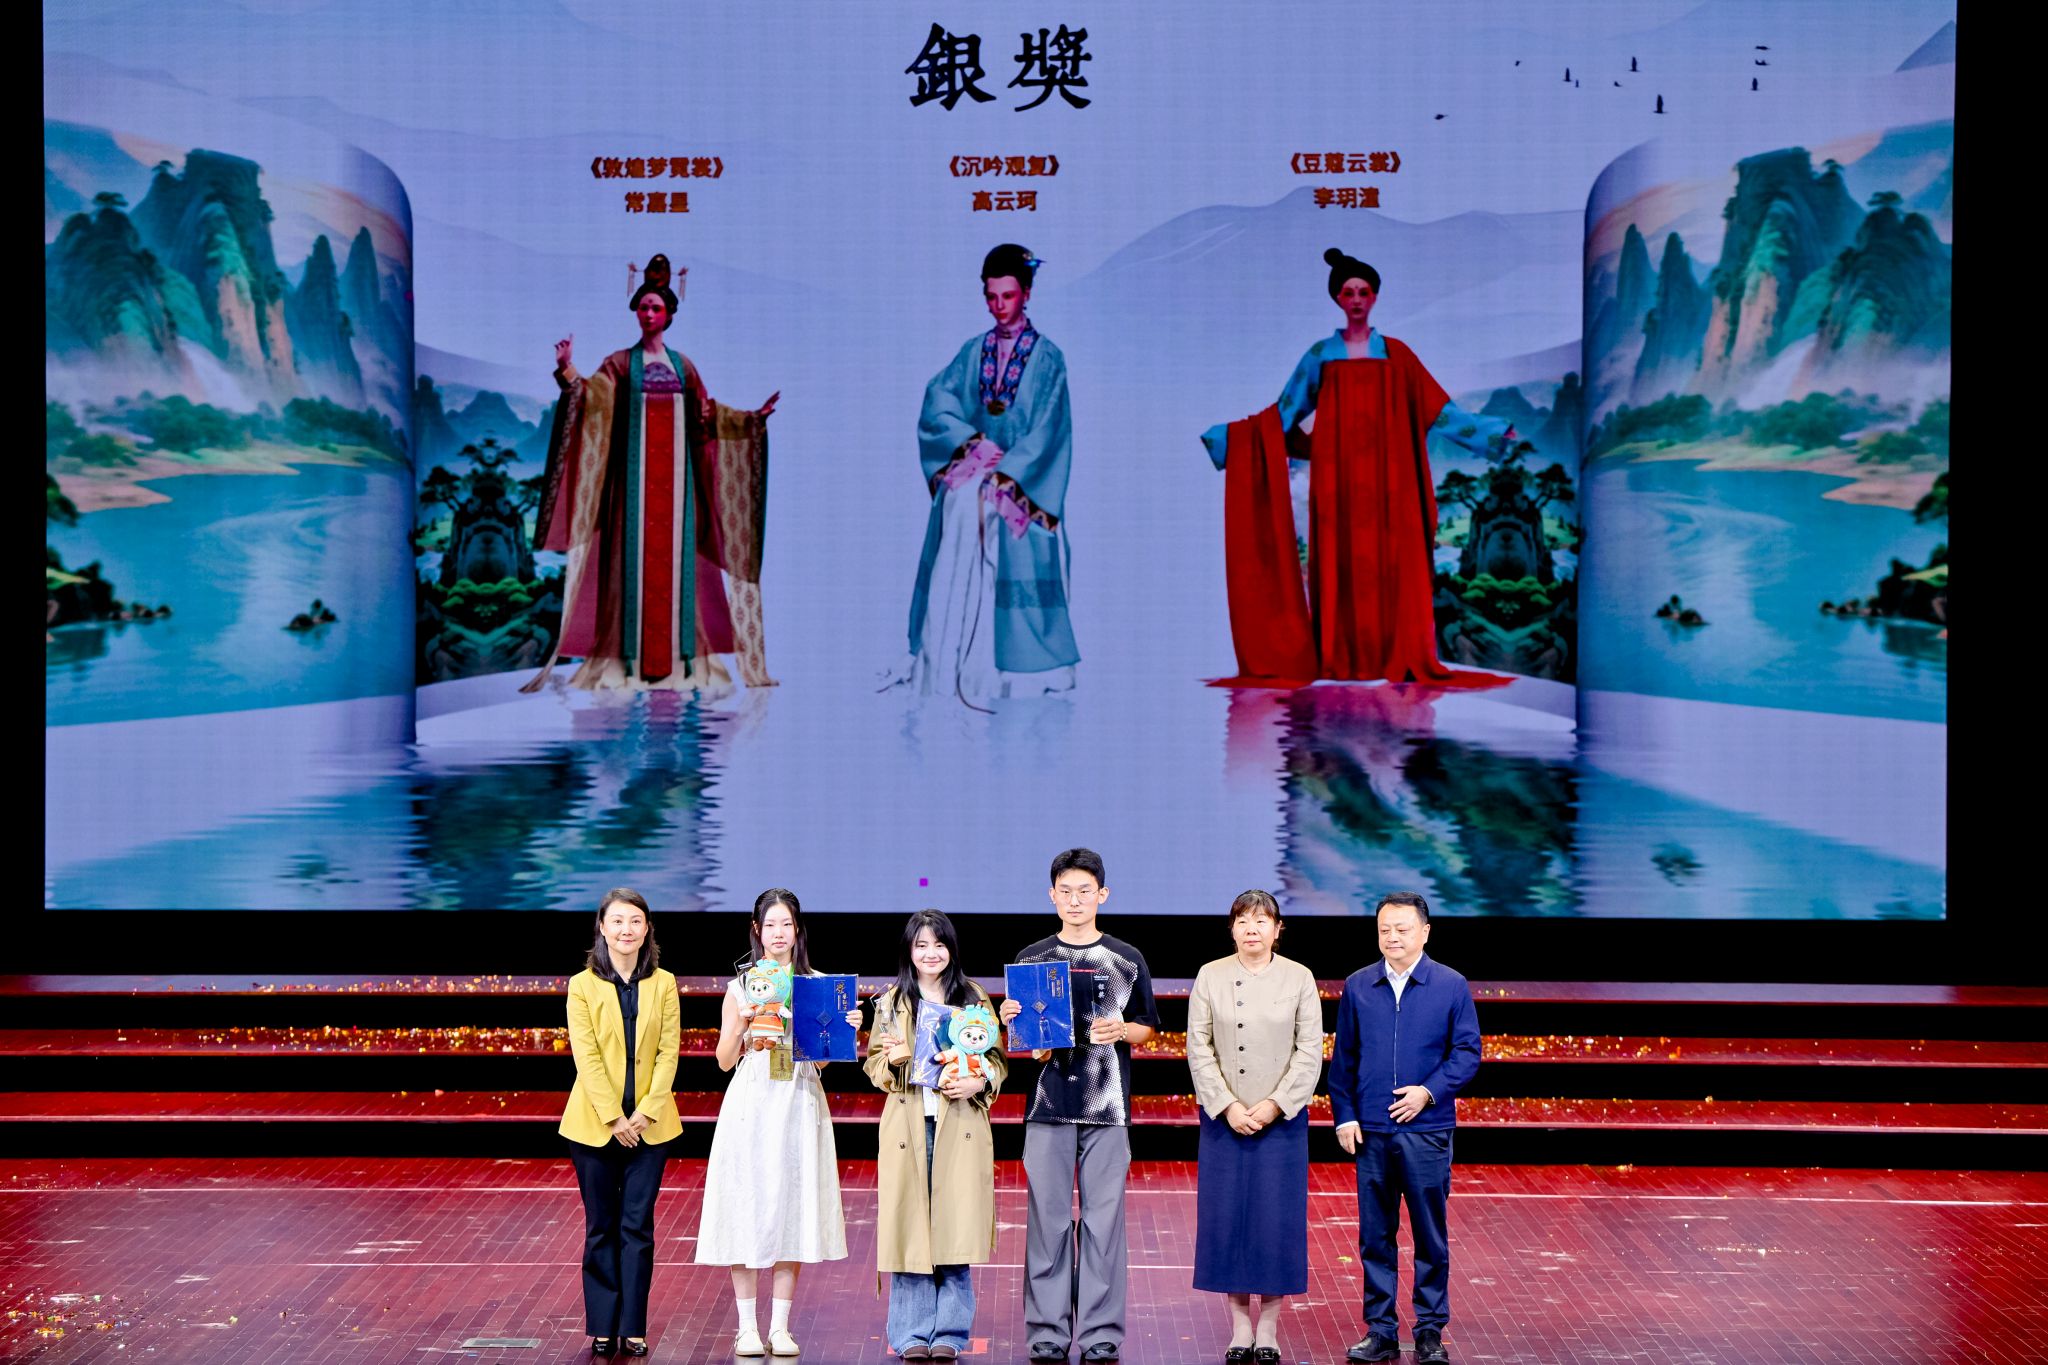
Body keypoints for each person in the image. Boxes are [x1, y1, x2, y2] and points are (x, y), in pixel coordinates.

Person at [1198, 248, 1520, 688]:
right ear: (1337, 298)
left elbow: (1439, 411)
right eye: (1347, 292)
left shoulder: (1398, 355)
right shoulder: (1320, 355)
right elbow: (1284, 414)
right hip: (1338, 483)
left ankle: (1395, 654)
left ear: (1375, 297)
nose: (1355, 299)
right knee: (1342, 565)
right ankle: (1341, 656)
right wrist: (1230, 439)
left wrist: (1493, 431)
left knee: (1394, 565)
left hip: (1392, 482)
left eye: (1363, 292)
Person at [524, 253, 780, 694]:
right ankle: (627, 664)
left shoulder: (684, 367)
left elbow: (705, 417)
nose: (648, 313)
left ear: (669, 315)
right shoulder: (621, 364)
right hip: (632, 492)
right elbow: (592, 400)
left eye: (656, 307)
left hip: (679, 493)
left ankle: (684, 665)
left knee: (679, 571)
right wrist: (568, 369)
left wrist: (750, 420)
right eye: (643, 306)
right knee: (629, 569)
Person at [892, 243, 1079, 705]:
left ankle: (1018, 670)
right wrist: (973, 445)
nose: (999, 306)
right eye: (991, 297)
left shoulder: (1049, 359)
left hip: (1024, 481)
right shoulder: (973, 352)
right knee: (958, 503)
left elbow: (1050, 430)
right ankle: (946, 660)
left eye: (1008, 296)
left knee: (994, 513)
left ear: (1027, 293)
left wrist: (1009, 471)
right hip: (978, 467)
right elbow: (938, 400)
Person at [996, 849, 1159, 1363]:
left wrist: (1122, 1029)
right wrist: (1012, 1022)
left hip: (1108, 1108)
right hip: (1048, 1107)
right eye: (1065, 891)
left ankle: (1100, 1332)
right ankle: (1047, 1331)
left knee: (1103, 1223)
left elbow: (1146, 1026)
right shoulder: (1032, 958)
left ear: (1102, 895)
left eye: (1084, 891)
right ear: (1052, 896)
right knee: (1048, 1222)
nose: (1074, 900)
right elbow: (1021, 1041)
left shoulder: (1126, 958)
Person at [695, 889, 861, 1356]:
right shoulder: (741, 986)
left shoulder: (817, 985)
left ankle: (780, 1327)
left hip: (799, 1097)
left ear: (797, 929)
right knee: (746, 1204)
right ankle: (746, 1326)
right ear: (757, 930)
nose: (779, 933)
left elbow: (822, 1061)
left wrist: (841, 1029)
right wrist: (743, 1026)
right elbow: (723, 1060)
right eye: (770, 925)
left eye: (786, 924)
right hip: (752, 1099)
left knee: (793, 1203)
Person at [1329, 892, 1482, 1365]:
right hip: (1372, 1132)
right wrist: (1345, 1114)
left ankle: (1430, 1330)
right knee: (1375, 1237)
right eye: (1385, 929)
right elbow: (1344, 1059)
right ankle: (1381, 1330)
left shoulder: (1450, 985)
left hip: (1427, 1130)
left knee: (1429, 1236)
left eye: (1402, 928)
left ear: (1425, 932)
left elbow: (1467, 1053)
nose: (1392, 937)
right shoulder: (1358, 985)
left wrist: (1427, 1092)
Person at [1185, 890, 1324, 1364]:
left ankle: (1269, 1326)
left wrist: (1275, 1105)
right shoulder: (1211, 974)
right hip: (1225, 1121)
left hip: (1281, 1123)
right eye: (1243, 920)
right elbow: (1198, 1047)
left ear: (1277, 929)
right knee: (1228, 1221)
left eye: (1262, 920)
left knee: (1275, 1222)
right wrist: (1226, 1106)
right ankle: (1240, 1325)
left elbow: (1309, 1051)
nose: (1252, 928)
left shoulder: (1299, 977)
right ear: (1231, 928)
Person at [864, 909, 1008, 1361]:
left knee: (954, 1224)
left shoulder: (973, 998)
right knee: (910, 1228)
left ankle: (950, 1331)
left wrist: (978, 1081)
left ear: (952, 950)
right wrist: (894, 1062)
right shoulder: (892, 1002)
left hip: (958, 1124)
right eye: (921, 945)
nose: (931, 953)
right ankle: (910, 1333)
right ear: (909, 951)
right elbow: (873, 1063)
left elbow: (997, 1060)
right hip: (908, 1125)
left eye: (939, 944)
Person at [560, 888, 683, 1359]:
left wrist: (646, 1112)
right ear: (602, 928)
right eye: (617, 921)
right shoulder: (582, 985)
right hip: (595, 1127)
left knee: (638, 1228)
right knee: (600, 1227)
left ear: (647, 928)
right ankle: (602, 1326)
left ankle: (633, 1327)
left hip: (650, 1127)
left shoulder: (664, 983)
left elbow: (669, 1051)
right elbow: (586, 1056)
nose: (626, 929)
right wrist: (613, 1117)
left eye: (635, 921)